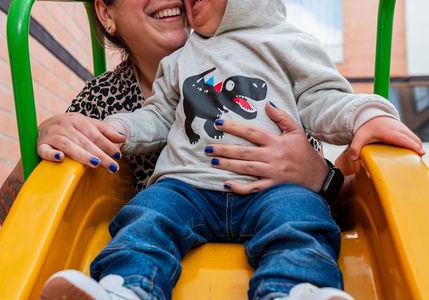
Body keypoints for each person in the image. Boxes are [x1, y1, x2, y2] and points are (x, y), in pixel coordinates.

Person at [39, 0, 425, 300]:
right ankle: (126, 285)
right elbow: (156, 114)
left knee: (299, 217)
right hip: (187, 188)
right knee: (146, 216)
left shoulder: (290, 45)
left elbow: (325, 98)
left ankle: (295, 286)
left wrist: (367, 115)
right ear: (106, 14)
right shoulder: (180, 62)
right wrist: (116, 127)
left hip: (271, 189)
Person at [0, 0, 344, 224]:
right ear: (106, 13)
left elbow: (330, 213)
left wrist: (322, 177)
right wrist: (45, 143)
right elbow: (12, 214)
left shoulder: (259, 68)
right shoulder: (101, 99)